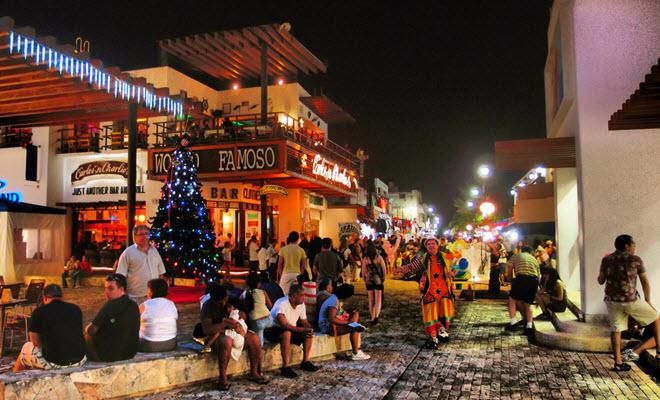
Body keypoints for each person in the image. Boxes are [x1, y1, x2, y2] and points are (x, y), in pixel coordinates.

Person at [597, 234, 660, 371]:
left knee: (616, 330)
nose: (634, 247)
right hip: (630, 300)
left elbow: (601, 280)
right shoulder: (635, 260)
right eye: (633, 244)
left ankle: (618, 363)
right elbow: (645, 282)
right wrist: (648, 300)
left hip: (612, 301)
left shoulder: (606, 259)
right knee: (656, 317)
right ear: (626, 245)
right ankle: (659, 351)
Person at [200, 285, 266, 390]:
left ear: (226, 298)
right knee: (227, 341)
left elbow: (244, 315)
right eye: (218, 302)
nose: (221, 304)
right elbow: (207, 330)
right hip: (217, 335)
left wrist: (240, 318)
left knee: (254, 338)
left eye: (222, 301)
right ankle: (223, 378)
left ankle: (254, 372)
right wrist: (224, 324)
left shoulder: (233, 300)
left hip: (235, 331)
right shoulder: (207, 306)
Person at [396, 237, 455, 349]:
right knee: (430, 316)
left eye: (433, 244)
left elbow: (455, 266)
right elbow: (412, 267)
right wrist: (401, 269)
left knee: (443, 313)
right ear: (426, 247)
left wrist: (453, 273)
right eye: (428, 245)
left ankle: (441, 330)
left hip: (444, 292)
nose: (431, 246)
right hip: (429, 291)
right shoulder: (423, 258)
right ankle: (433, 337)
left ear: (438, 245)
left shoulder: (446, 257)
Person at [13, 284, 86, 372]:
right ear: (61, 296)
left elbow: (35, 341)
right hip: (79, 359)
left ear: (44, 297)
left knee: (26, 347)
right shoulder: (75, 309)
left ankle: (14, 378)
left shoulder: (39, 312)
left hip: (54, 361)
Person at [264, 284, 320, 378]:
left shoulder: (301, 304)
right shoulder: (281, 305)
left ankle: (305, 361)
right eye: (301, 295)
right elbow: (285, 325)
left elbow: (304, 321)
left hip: (291, 328)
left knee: (308, 333)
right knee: (287, 333)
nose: (304, 297)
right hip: (273, 329)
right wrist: (302, 329)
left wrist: (308, 328)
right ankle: (285, 367)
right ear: (293, 296)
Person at [84, 274, 140, 362]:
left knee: (87, 335)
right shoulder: (134, 305)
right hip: (130, 353)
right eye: (105, 288)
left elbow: (91, 330)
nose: (106, 292)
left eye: (111, 288)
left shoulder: (110, 305)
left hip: (110, 356)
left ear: (121, 289)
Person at [317, 284, 370, 361]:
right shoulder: (334, 301)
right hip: (327, 327)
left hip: (330, 324)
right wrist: (347, 322)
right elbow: (332, 319)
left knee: (355, 313)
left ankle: (354, 348)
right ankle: (355, 353)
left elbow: (338, 314)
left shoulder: (334, 298)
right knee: (355, 328)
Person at [116, 224, 166, 304]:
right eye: (141, 234)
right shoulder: (128, 253)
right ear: (135, 236)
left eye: (147, 234)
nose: (145, 237)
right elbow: (120, 276)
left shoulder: (154, 251)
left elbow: (161, 272)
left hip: (153, 296)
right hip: (134, 297)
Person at [504, 246, 540, 335]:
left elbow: (509, 268)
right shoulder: (534, 259)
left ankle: (513, 322)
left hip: (521, 278)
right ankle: (529, 326)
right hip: (533, 280)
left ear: (522, 251)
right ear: (530, 252)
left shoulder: (516, 256)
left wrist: (510, 279)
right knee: (528, 304)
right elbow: (539, 275)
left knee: (512, 300)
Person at [138, 279, 178, 352]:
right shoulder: (171, 304)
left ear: (151, 291)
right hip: (171, 344)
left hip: (149, 345)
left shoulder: (144, 305)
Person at [243, 272, 275, 346]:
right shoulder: (262, 292)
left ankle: (262, 340)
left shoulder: (245, 294)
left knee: (259, 345)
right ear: (258, 283)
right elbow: (270, 306)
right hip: (268, 319)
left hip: (256, 322)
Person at [362, 242, 386, 324]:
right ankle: (376, 316)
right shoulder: (379, 257)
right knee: (378, 300)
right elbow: (384, 269)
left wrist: (365, 279)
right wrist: (383, 278)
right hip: (377, 279)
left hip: (369, 279)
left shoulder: (365, 259)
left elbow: (363, 271)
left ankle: (372, 316)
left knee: (371, 300)